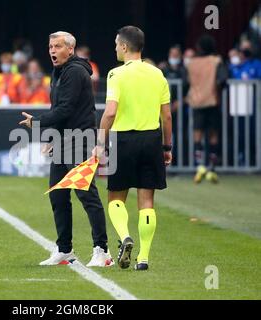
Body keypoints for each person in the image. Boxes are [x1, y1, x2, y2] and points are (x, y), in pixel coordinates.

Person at [19, 31, 113, 267]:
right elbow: (60, 108)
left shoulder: (75, 71)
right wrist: (53, 137)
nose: (52, 50)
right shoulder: (59, 72)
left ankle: (102, 250)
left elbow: (66, 109)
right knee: (58, 194)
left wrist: (37, 122)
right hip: (64, 140)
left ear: (70, 49)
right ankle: (65, 250)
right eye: (50, 46)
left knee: (86, 194)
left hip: (80, 140)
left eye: (57, 46)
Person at [93, 26, 172, 271]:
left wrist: (99, 143)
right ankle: (144, 257)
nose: (115, 47)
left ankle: (125, 237)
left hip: (123, 140)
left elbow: (111, 112)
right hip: (151, 140)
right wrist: (166, 146)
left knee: (116, 197)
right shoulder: (158, 74)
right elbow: (167, 116)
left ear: (125, 46)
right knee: (146, 200)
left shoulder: (116, 74)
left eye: (117, 44)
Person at [185, 35, 228, 183]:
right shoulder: (216, 61)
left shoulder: (191, 63)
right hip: (212, 102)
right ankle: (212, 170)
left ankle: (199, 167)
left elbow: (185, 82)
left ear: (199, 47)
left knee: (197, 135)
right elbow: (223, 80)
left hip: (197, 103)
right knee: (213, 136)